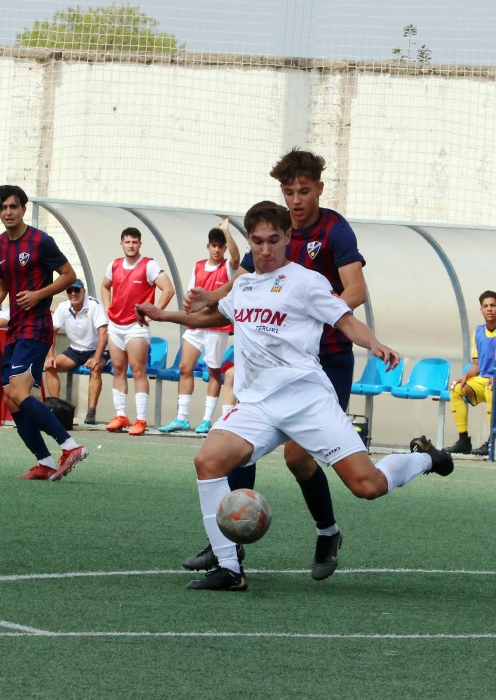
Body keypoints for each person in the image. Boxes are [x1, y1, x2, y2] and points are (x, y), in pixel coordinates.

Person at [136, 200, 454, 591]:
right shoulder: (245, 283)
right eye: (257, 242)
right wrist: (166, 315)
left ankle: (423, 458)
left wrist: (374, 344)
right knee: (208, 460)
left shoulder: (306, 282)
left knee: (367, 486)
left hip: (306, 401)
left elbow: (345, 318)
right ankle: (229, 568)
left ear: (288, 237)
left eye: (273, 240)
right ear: (248, 242)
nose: (266, 250)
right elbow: (218, 316)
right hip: (257, 404)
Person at [183, 148, 366, 581]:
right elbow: (243, 289)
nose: (297, 199)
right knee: (236, 444)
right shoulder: (271, 230)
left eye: (304, 191)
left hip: (325, 360)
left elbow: (356, 289)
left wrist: (305, 317)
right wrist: (211, 299)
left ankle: (328, 531)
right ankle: (227, 542)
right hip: (269, 369)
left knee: (298, 457)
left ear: (319, 189)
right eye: (289, 192)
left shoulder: (335, 230)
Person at [0, 185, 89, 481]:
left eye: (13, 206)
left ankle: (70, 446)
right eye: (4, 208)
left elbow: (69, 275)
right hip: (14, 330)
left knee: (17, 393)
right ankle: (46, 461)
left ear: (23, 209)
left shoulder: (40, 241)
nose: (8, 212)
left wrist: (39, 295)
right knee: (11, 399)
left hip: (35, 328)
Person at [158, 217, 239, 434]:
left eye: (221, 246)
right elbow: (191, 293)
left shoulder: (229, 267)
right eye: (214, 245)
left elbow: (236, 257)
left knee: (213, 372)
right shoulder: (198, 266)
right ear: (208, 246)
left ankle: (206, 419)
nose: (217, 250)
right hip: (195, 326)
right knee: (185, 368)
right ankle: (182, 418)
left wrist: (227, 231)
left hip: (216, 327)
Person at [101, 227, 175, 435]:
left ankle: (141, 419)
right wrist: (108, 308)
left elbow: (168, 289)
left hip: (136, 326)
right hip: (115, 325)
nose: (131, 245)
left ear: (140, 244)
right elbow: (105, 286)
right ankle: (121, 415)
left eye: (134, 242)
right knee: (117, 369)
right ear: (121, 243)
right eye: (127, 242)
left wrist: (154, 312)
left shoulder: (149, 265)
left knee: (138, 369)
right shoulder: (114, 265)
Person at [447, 290, 496, 456]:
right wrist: (465, 376)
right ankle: (463, 441)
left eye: (493, 305)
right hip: (484, 379)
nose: (489, 309)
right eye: (485, 306)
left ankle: (492, 441)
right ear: (481, 310)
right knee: (455, 388)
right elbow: (477, 365)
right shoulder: (477, 332)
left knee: (491, 388)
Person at [44, 278, 109, 425]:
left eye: (77, 290)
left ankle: (91, 412)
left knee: (96, 367)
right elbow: (51, 332)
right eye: (70, 290)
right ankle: (55, 407)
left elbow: (103, 332)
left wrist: (97, 357)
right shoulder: (62, 307)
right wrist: (50, 356)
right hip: (75, 350)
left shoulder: (94, 305)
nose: (73, 293)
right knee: (50, 366)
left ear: (83, 291)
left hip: (96, 349)